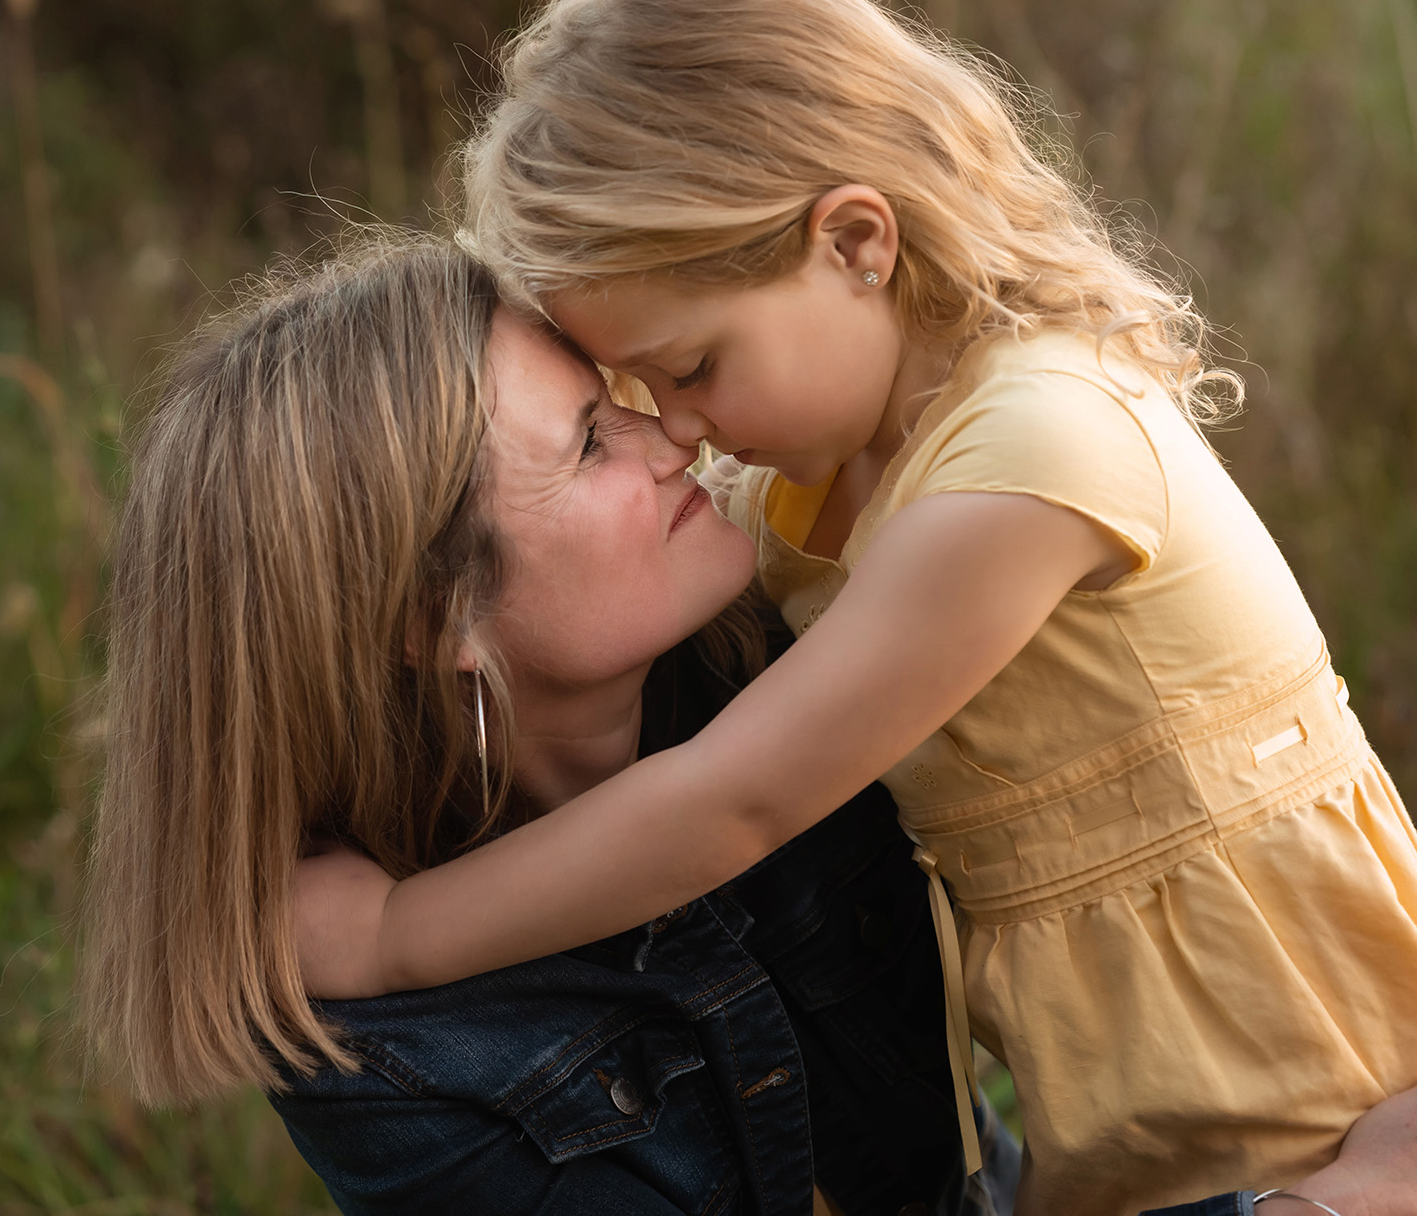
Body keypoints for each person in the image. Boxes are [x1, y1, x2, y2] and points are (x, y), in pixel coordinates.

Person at [290, 0, 1417, 1216]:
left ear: (856, 243)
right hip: (1119, 1112)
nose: (677, 427)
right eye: (630, 392)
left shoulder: (1031, 454)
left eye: (692, 367)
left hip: (1316, 1082)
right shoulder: (806, 487)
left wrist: (397, 937)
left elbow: (731, 801)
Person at [77, 234, 1409, 1216]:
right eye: (591, 442)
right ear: (432, 619)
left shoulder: (793, 655)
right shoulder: (388, 1046)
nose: (669, 439)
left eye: (634, 392)